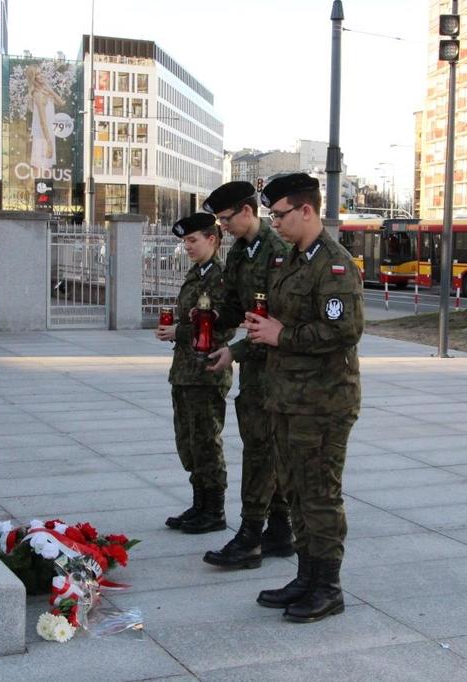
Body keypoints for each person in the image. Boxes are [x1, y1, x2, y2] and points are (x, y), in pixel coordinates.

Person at [243, 173, 364, 623]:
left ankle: (328, 587)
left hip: (323, 401)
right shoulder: (291, 260)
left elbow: (344, 330)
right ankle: (306, 576)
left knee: (319, 494)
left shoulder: (333, 264)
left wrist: (282, 334)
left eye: (280, 215)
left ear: (306, 210)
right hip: (287, 397)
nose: (275, 223)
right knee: (294, 490)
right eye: (272, 216)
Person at [200, 181, 293, 570]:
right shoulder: (241, 253)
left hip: (280, 369)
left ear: (246, 211)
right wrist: (206, 322)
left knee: (261, 452)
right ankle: (280, 531)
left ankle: (251, 535)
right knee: (265, 449)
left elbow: (278, 322)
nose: (222, 228)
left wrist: (233, 351)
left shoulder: (281, 252)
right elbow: (236, 308)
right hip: (257, 369)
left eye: (225, 219)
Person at [156, 213, 234, 534]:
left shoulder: (218, 278)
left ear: (212, 240)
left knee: (206, 441)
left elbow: (220, 329)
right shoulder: (197, 273)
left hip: (206, 372)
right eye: (185, 241)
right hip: (185, 371)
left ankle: (214, 510)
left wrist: (179, 331)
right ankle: (199, 503)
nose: (187, 246)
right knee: (188, 441)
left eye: (192, 240)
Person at [26, 64, 64, 174]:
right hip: (43, 138)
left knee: (46, 172)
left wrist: (49, 89)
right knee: (42, 173)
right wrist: (49, 143)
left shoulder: (45, 92)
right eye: (37, 74)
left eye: (41, 72)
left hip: (47, 136)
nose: (41, 75)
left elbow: (61, 102)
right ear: (33, 78)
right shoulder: (37, 95)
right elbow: (43, 121)